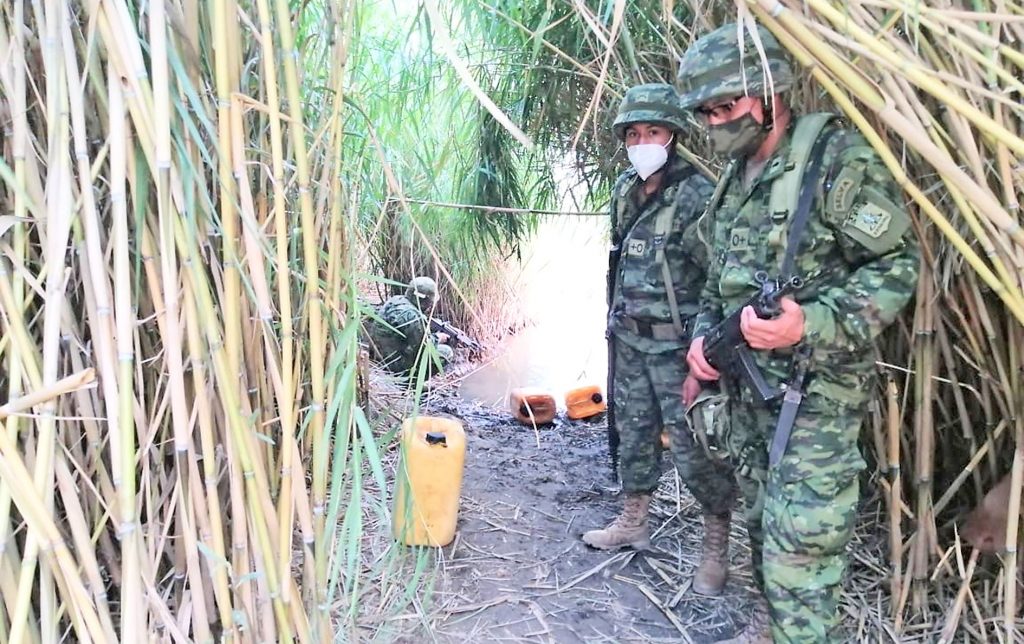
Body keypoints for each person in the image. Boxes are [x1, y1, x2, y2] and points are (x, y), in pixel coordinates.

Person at [677, 22, 920, 642]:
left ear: (769, 93)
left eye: (726, 107)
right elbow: (719, 283)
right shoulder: (735, 178)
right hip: (751, 401)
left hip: (815, 402)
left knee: (800, 563)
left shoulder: (833, 161)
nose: (715, 123)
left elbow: (898, 265)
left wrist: (809, 322)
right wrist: (701, 350)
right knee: (763, 530)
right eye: (706, 113)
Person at [581, 83, 738, 597]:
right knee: (632, 434)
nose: (642, 142)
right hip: (629, 340)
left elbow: (718, 279)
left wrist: (704, 352)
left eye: (653, 132)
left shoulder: (697, 195)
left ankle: (715, 547)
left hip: (677, 349)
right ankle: (633, 521)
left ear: (673, 135)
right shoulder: (625, 189)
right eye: (634, 134)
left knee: (695, 448)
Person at [366, 276, 454, 375]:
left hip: (377, 357)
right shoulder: (412, 316)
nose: (430, 306)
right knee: (446, 352)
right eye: (430, 302)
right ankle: (411, 380)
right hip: (393, 365)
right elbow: (423, 347)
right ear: (423, 301)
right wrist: (438, 338)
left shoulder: (396, 300)